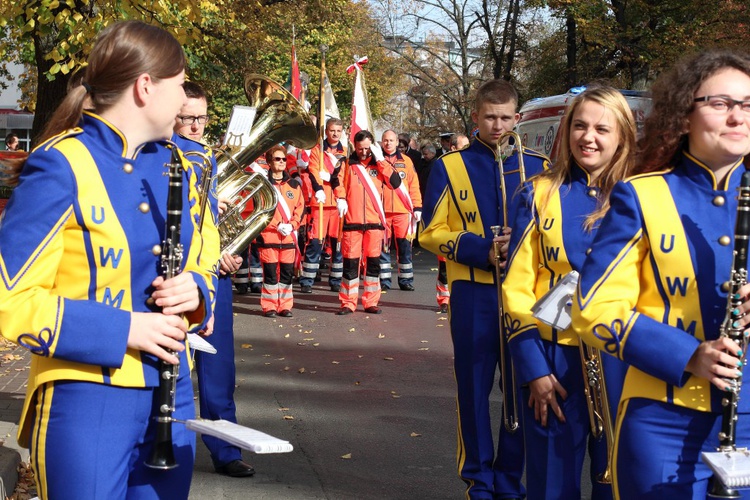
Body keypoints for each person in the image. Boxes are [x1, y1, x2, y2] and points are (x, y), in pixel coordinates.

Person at [0, 20, 218, 498]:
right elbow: (12, 302)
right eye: (180, 85)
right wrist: (125, 329)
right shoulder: (61, 164)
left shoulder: (180, 165)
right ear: (145, 87)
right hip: (86, 395)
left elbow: (204, 258)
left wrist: (196, 291)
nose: (186, 101)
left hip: (171, 388)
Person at [572, 49, 750, 498]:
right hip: (663, 419)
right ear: (684, 114)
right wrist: (689, 354)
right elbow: (594, 308)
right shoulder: (642, 196)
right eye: (721, 103)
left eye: (747, 105)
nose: (737, 117)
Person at [503, 86, 636, 499]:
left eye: (601, 128)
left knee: (619, 483)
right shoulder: (537, 193)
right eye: (579, 125)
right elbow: (516, 287)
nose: (588, 137)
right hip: (554, 362)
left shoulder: (647, 195)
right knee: (551, 485)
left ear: (623, 136)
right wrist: (533, 370)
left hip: (627, 361)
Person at [420, 78, 549, 500]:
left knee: (522, 389)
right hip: (473, 293)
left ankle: (510, 481)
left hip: (526, 294)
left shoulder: (539, 165)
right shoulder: (448, 165)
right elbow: (430, 233)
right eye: (490, 117)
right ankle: (478, 480)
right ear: (475, 117)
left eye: (506, 117)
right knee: (473, 389)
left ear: (518, 118)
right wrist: (479, 249)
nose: (498, 125)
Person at [171, 81, 256, 478]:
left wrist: (235, 250)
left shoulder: (211, 157)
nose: (195, 125)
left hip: (215, 277)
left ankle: (226, 449)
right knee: (173, 367)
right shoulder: (164, 154)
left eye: (202, 118)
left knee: (218, 367)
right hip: (179, 275)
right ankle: (168, 443)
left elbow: (226, 219)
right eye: (187, 118)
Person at [336, 130, 401, 315]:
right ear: (354, 147)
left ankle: (371, 301)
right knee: (350, 265)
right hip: (352, 222)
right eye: (359, 148)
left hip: (374, 223)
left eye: (366, 148)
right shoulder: (346, 163)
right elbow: (337, 182)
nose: (363, 152)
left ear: (372, 145)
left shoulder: (380, 164)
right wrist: (340, 197)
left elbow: (395, 183)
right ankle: (348, 302)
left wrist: (381, 161)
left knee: (373, 264)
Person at [299, 117, 346, 294]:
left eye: (338, 131)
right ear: (326, 131)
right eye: (332, 130)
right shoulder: (318, 150)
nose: (335, 134)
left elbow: (345, 175)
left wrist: (342, 196)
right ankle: (307, 280)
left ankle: (335, 279)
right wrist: (318, 187)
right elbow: (313, 171)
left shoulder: (345, 152)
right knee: (315, 243)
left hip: (338, 204)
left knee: (337, 244)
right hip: (321, 202)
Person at [257, 145, 305, 317]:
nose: (282, 162)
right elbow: (260, 211)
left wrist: (292, 225)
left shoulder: (294, 184)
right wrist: (276, 225)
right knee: (270, 275)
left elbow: (300, 209)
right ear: (269, 162)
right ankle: (269, 306)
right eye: (277, 159)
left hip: (288, 237)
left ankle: (285, 306)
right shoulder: (263, 185)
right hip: (269, 235)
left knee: (286, 275)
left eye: (284, 159)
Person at [379, 129, 422, 291]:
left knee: (404, 247)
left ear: (397, 142)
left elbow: (414, 186)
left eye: (391, 140)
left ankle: (405, 280)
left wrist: (417, 206)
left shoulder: (406, 161)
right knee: (383, 248)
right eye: (385, 140)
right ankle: (384, 281)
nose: (388, 143)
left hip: (402, 212)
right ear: (382, 142)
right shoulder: (377, 160)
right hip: (381, 212)